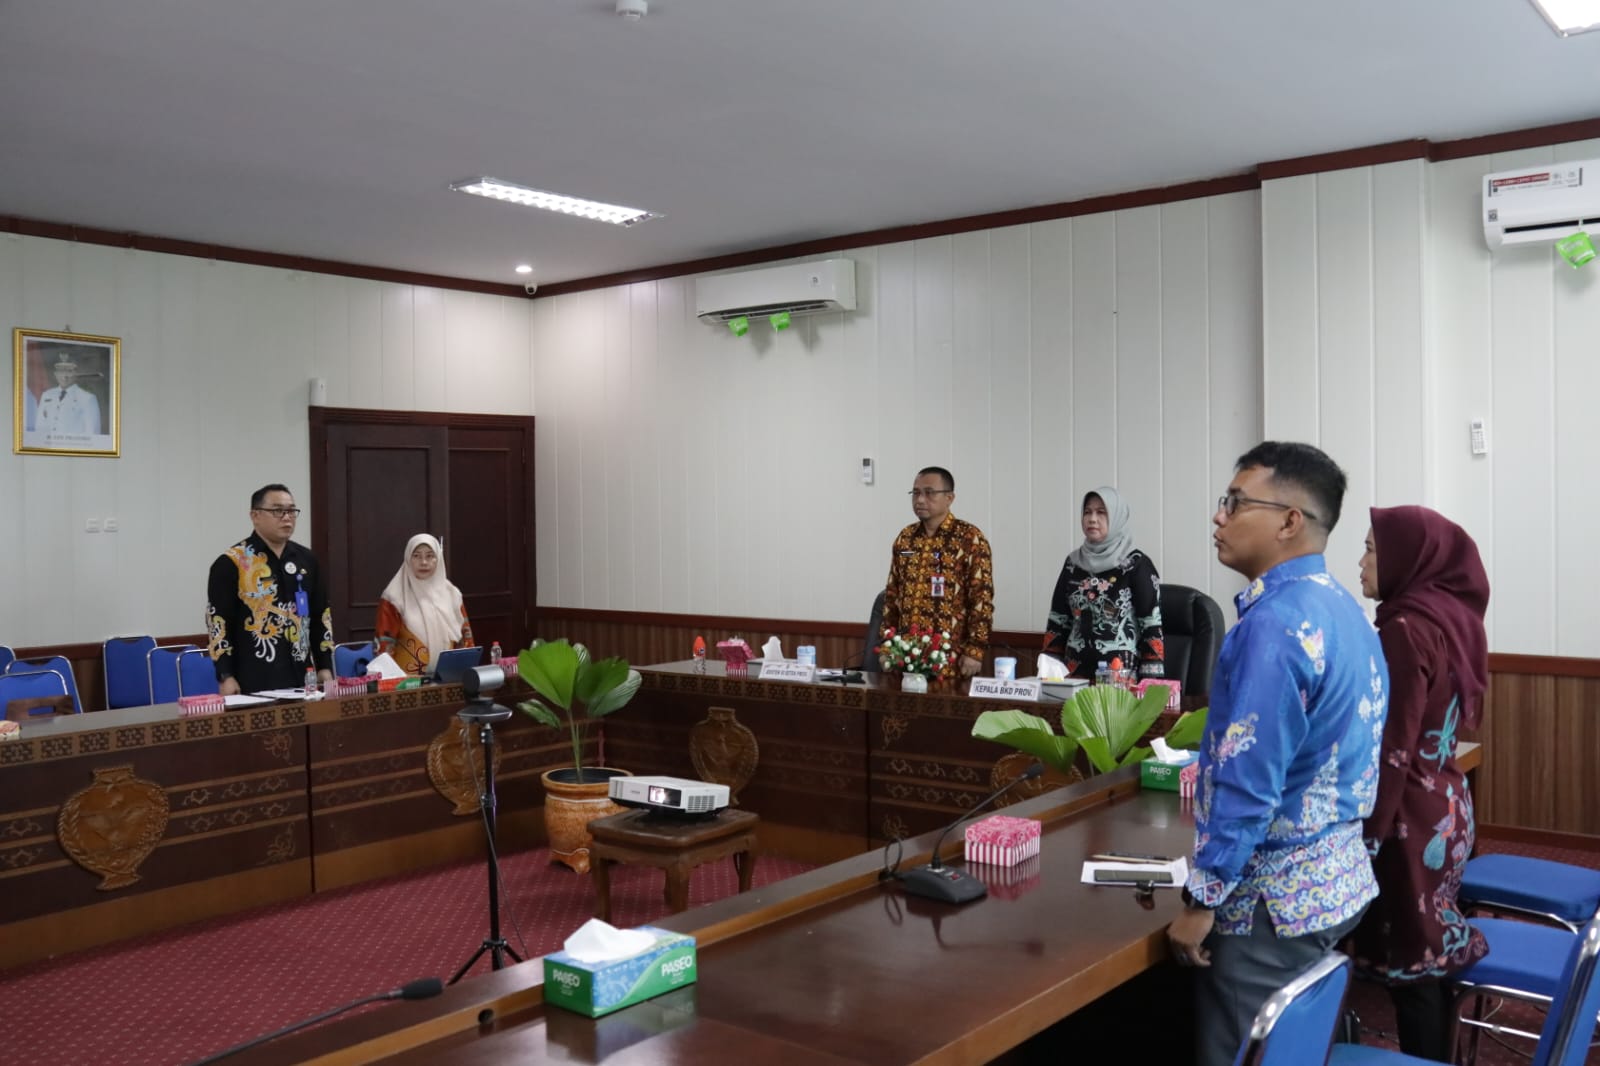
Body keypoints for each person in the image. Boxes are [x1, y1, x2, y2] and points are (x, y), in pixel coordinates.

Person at [1166, 442, 1388, 1066]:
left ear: (1291, 521)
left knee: (1245, 1052)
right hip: (1334, 880)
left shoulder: (1274, 625)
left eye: (1235, 502)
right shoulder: (1344, 609)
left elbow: (1249, 786)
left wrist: (1202, 900)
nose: (1219, 516)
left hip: (1271, 905)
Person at [1347, 506, 1489, 1059]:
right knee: (1430, 955)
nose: (1360, 562)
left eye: (1371, 550)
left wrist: (1365, 838)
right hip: (1447, 806)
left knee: (1415, 973)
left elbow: (1394, 750)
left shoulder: (1404, 629)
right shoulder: (1445, 617)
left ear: (1408, 559)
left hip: (1412, 822)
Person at [206, 484, 334, 695]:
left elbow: (321, 615)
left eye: (292, 511)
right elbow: (218, 623)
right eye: (277, 511)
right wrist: (225, 676)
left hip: (303, 676)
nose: (287, 517)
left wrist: (325, 666)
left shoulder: (307, 560)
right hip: (253, 677)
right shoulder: (232, 563)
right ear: (255, 515)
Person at [879, 466, 994, 678]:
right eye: (915, 493)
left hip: (951, 660)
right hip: (905, 657)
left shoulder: (969, 538)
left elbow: (981, 599)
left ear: (949, 498)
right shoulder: (906, 539)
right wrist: (888, 646)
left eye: (929, 493)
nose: (920, 500)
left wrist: (975, 651)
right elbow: (893, 594)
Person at [1044, 486, 1164, 679]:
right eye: (1087, 512)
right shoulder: (1073, 564)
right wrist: (1048, 673)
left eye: (1101, 512)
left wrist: (1150, 686)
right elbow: (1058, 621)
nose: (1092, 519)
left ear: (1117, 517)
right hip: (1074, 677)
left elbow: (1151, 626)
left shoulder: (1136, 564)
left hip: (1120, 683)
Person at [374, 534, 475, 675]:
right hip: (407, 685)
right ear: (408, 559)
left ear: (438, 559)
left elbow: (465, 641)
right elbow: (384, 648)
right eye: (416, 556)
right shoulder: (394, 597)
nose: (424, 562)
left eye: (430, 556)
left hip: (449, 679)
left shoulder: (452, 595)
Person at [34, 355, 101, 439]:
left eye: (69, 371)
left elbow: (93, 435)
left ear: (76, 374)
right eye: (61, 371)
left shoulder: (87, 399)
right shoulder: (47, 395)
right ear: (55, 374)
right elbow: (39, 427)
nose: (64, 376)